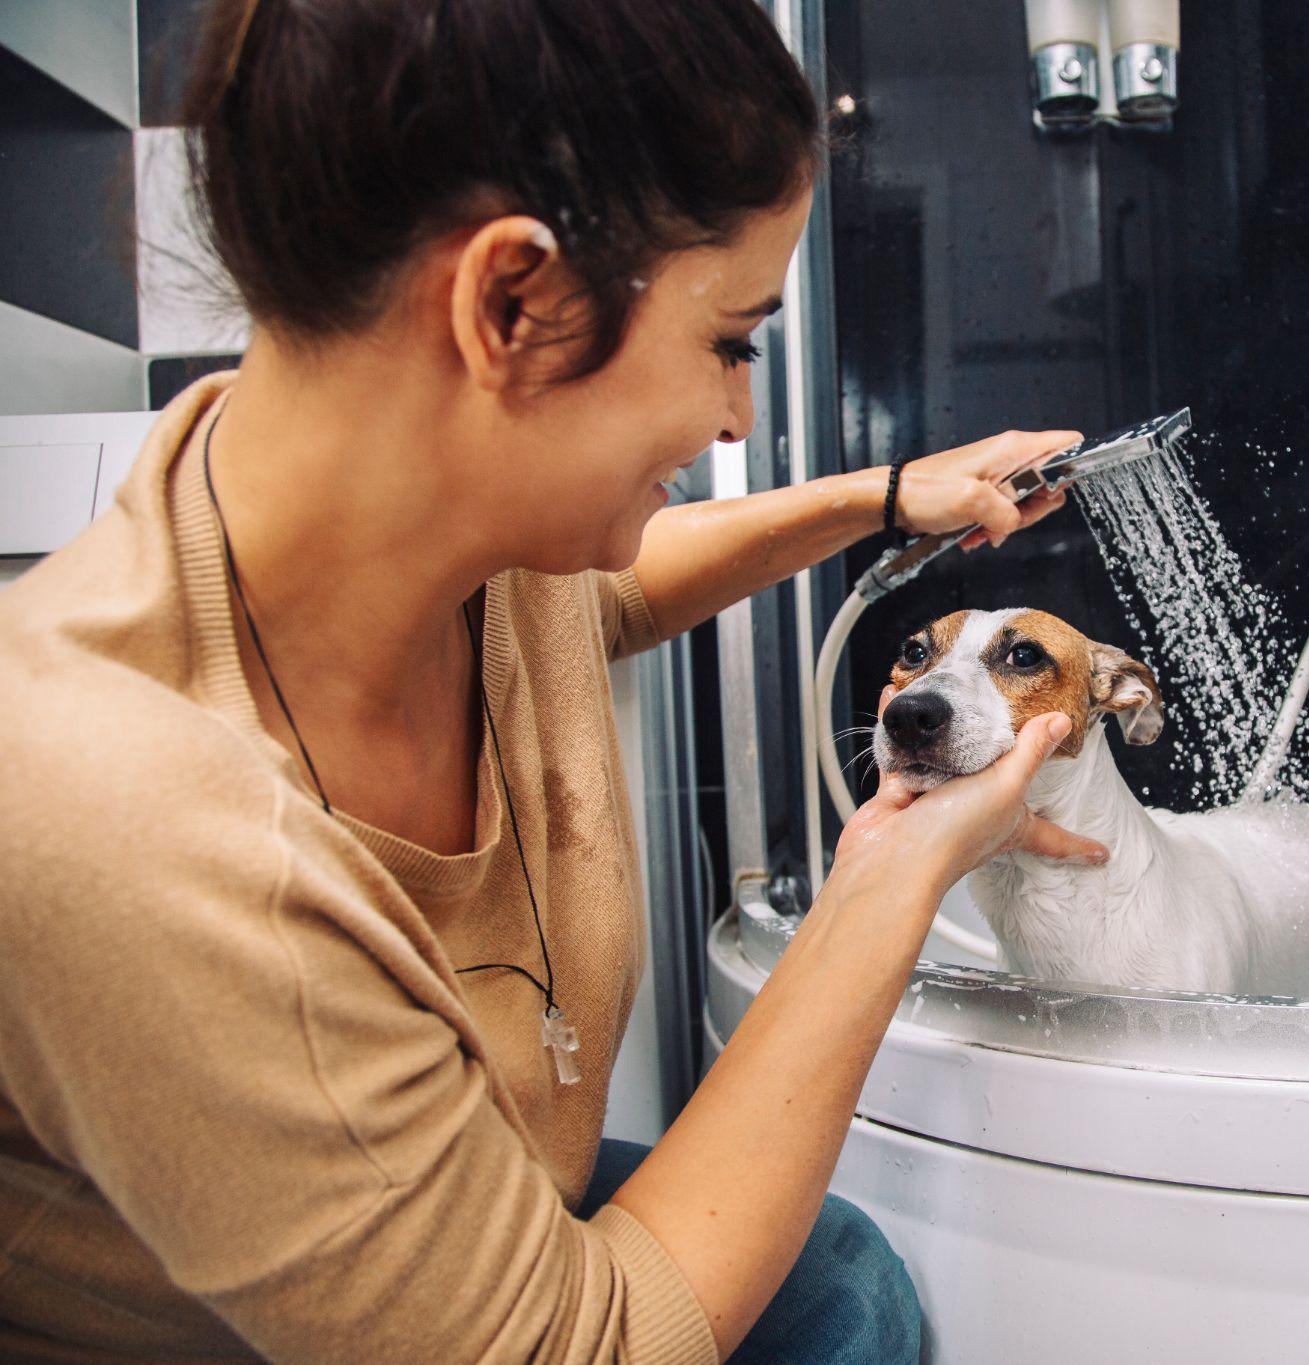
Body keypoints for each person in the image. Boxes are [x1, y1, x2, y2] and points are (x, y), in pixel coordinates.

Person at [0, 0, 1110, 1360]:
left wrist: (885, 497)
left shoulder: (461, 542)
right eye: (733, 342)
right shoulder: (130, 820)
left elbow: (616, 590)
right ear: (511, 302)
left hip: (498, 1210)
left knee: (838, 1282)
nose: (737, 418)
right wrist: (893, 865)